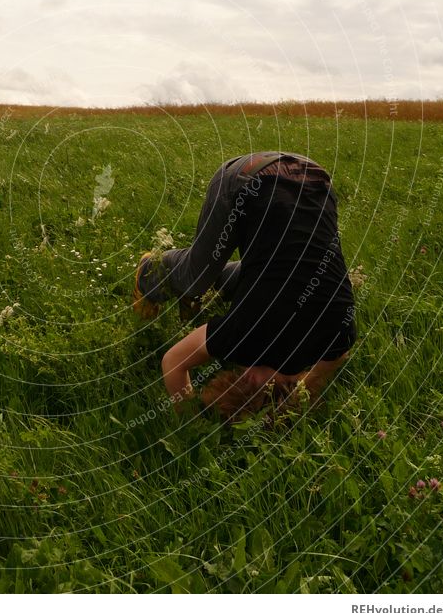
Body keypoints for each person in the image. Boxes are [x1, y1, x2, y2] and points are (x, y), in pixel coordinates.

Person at [133, 151, 356, 422]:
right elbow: (173, 362)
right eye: (246, 380)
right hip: (247, 178)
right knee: (196, 278)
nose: (242, 371)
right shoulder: (247, 334)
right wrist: (190, 421)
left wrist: (305, 388)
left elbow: (338, 355)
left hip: (314, 176)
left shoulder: (338, 334)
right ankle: (148, 273)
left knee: (265, 277)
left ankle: (201, 291)